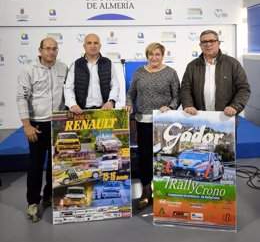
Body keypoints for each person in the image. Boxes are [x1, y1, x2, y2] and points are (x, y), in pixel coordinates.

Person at [123, 42, 180, 210]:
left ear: (163, 55)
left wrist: (170, 107)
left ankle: (163, 191)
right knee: (145, 157)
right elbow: (130, 94)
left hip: (164, 123)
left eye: (158, 54)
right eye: (151, 54)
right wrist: (128, 104)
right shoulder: (139, 72)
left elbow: (177, 96)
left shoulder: (170, 72)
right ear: (147, 55)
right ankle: (146, 190)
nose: (154, 57)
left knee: (163, 157)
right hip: (143, 121)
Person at [16, 38, 68, 223]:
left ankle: (48, 195)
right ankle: (32, 203)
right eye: (47, 49)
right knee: (36, 166)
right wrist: (26, 125)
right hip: (37, 125)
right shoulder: (28, 69)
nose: (51, 52)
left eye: (54, 49)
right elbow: (21, 97)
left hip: (58, 124)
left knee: (56, 165)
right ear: (40, 50)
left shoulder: (63, 68)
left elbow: (68, 92)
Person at [181, 29, 251, 116]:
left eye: (212, 41)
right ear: (200, 45)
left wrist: (235, 106)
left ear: (218, 43)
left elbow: (243, 89)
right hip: (198, 117)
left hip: (225, 118)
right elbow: (185, 89)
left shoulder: (232, 64)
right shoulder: (192, 66)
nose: (208, 44)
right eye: (204, 42)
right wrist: (188, 105)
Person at [64, 33, 120, 112]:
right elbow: (69, 88)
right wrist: (72, 104)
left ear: (100, 46)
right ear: (84, 46)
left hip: (104, 111)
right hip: (81, 112)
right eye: (89, 43)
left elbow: (115, 86)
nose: (93, 46)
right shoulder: (76, 65)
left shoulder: (108, 63)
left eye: (96, 43)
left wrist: (111, 102)